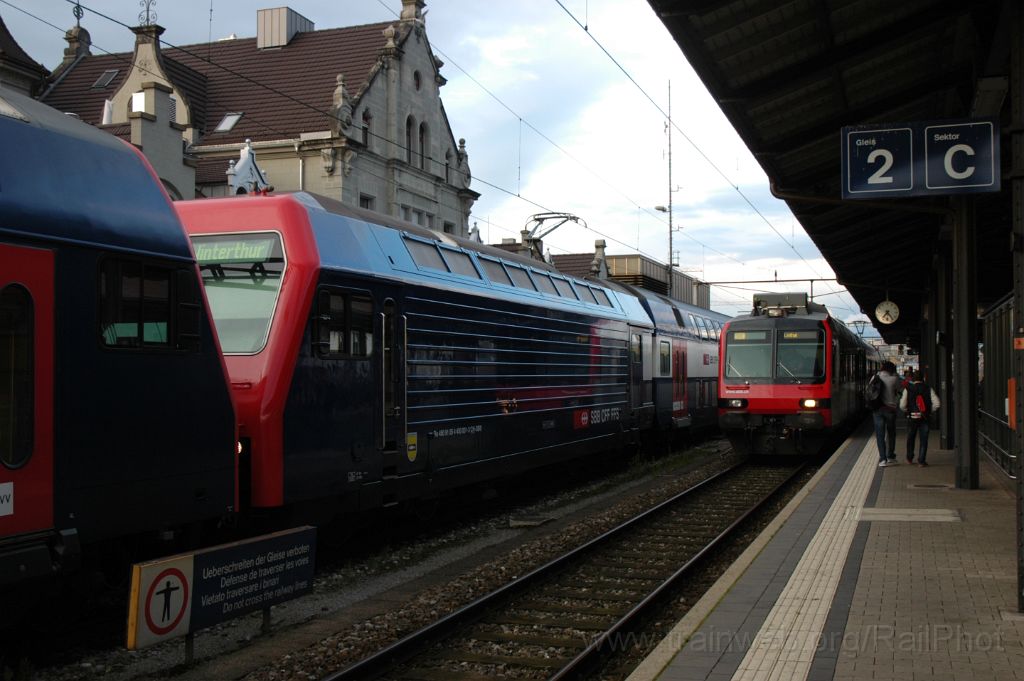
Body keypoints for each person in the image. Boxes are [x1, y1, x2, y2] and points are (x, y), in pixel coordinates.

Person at [899, 369, 940, 466]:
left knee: (910, 438)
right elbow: (937, 404)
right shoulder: (928, 388)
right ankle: (921, 461)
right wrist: (928, 411)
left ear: (913, 378)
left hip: (912, 417)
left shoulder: (908, 389)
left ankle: (909, 458)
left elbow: (902, 405)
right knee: (924, 439)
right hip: (924, 418)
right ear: (923, 378)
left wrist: (907, 411)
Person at [873, 361, 901, 466]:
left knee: (880, 435)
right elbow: (899, 390)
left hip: (877, 410)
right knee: (891, 433)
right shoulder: (894, 379)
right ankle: (890, 456)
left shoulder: (875, 377)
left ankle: (882, 459)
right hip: (890, 409)